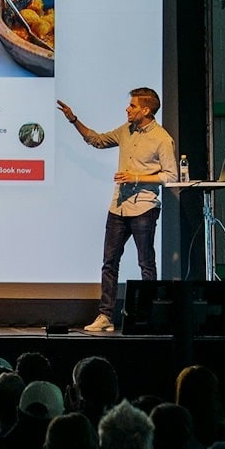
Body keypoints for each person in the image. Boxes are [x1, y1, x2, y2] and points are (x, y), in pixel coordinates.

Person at [57, 88, 178, 333]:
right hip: (119, 207)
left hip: (144, 207)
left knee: (146, 264)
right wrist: (73, 119)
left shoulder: (162, 139)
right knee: (109, 262)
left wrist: (136, 177)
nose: (127, 109)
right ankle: (105, 316)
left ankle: (148, 317)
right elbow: (97, 140)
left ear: (146, 110)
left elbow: (171, 176)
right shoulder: (126, 130)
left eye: (132, 106)